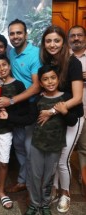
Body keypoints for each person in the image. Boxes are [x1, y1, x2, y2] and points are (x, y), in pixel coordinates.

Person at [1, 65, 78, 215]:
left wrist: (65, 111)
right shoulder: (38, 99)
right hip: (37, 145)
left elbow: (72, 121)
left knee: (49, 177)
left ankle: (45, 204)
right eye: (45, 79)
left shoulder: (66, 98)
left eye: (53, 78)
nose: (50, 82)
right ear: (41, 83)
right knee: (35, 176)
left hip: (55, 146)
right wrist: (9, 117)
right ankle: (34, 204)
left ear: (58, 79)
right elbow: (29, 119)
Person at [0, 19, 42, 193]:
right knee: (19, 146)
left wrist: (10, 100)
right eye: (12, 33)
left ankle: (35, 185)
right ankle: (23, 180)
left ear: (26, 34)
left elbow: (36, 86)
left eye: (19, 33)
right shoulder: (11, 54)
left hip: (32, 107)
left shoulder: (36, 53)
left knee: (30, 148)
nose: (15, 36)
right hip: (16, 110)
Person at [39, 25, 84, 213]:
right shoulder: (50, 63)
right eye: (48, 40)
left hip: (72, 116)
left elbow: (77, 98)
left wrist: (51, 112)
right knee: (55, 157)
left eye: (56, 40)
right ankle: (55, 189)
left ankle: (65, 194)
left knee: (63, 159)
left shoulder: (73, 63)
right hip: (57, 116)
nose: (52, 44)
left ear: (63, 43)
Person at [0, 54, 27, 210]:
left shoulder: (19, 85)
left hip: (5, 130)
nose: (1, 69)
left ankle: (1, 190)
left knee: (3, 161)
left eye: (4, 65)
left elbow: (22, 111)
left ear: (9, 66)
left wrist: (8, 113)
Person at [68, 25, 86, 196]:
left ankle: (83, 179)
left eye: (79, 35)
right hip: (72, 110)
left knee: (84, 148)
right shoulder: (65, 58)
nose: (76, 39)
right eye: (72, 36)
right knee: (67, 149)